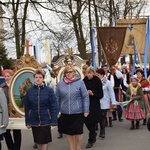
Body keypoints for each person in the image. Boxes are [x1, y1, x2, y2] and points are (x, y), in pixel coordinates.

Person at [56, 65, 89, 150]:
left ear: (74, 72)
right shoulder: (60, 84)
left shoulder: (80, 82)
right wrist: (57, 111)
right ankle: (71, 148)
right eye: (66, 72)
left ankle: (78, 148)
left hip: (78, 112)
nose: (68, 74)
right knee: (69, 132)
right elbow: (57, 98)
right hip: (65, 112)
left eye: (70, 72)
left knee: (78, 132)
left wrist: (86, 110)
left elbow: (85, 96)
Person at [25, 69, 58, 150]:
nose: (38, 79)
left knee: (44, 142)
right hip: (34, 120)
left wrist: (54, 120)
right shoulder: (30, 91)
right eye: (36, 77)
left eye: (40, 77)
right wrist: (27, 121)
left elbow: (54, 105)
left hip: (45, 120)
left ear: (43, 78)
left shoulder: (49, 90)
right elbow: (27, 107)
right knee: (38, 141)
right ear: (34, 78)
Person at [0, 69, 22, 150]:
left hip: (16, 111)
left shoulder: (16, 85)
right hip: (6, 112)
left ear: (12, 76)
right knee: (6, 131)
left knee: (17, 131)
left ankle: (17, 148)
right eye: (5, 76)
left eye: (8, 76)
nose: (6, 78)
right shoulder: (2, 87)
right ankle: (11, 148)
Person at [83, 66, 103, 148]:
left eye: (90, 73)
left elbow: (101, 94)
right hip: (85, 103)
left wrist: (93, 93)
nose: (89, 75)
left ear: (93, 73)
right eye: (88, 73)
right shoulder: (83, 81)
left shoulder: (97, 80)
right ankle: (93, 133)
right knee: (86, 121)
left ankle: (90, 140)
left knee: (92, 122)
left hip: (94, 103)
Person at [96, 68, 117, 138]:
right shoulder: (96, 82)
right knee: (98, 116)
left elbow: (111, 93)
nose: (97, 76)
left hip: (105, 102)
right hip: (97, 102)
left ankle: (102, 131)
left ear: (102, 75)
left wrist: (113, 102)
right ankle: (99, 128)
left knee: (103, 116)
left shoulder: (107, 82)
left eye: (98, 75)